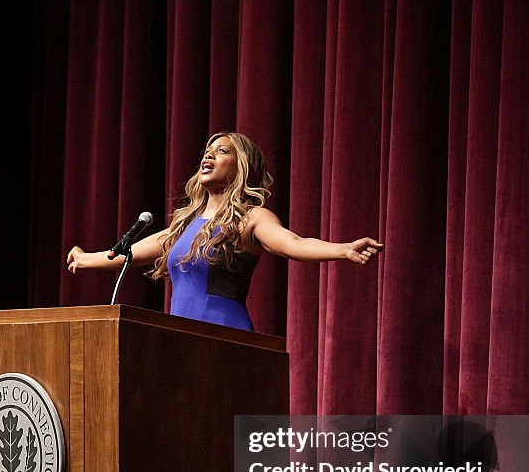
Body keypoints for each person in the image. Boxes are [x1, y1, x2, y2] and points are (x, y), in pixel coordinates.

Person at [66, 132, 382, 331]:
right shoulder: (184, 223)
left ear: (240, 166)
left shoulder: (251, 218)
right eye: (208, 150)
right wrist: (84, 259)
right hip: (177, 336)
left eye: (221, 151)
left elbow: (292, 243)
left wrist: (342, 249)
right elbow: (127, 256)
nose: (209, 155)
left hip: (223, 332)